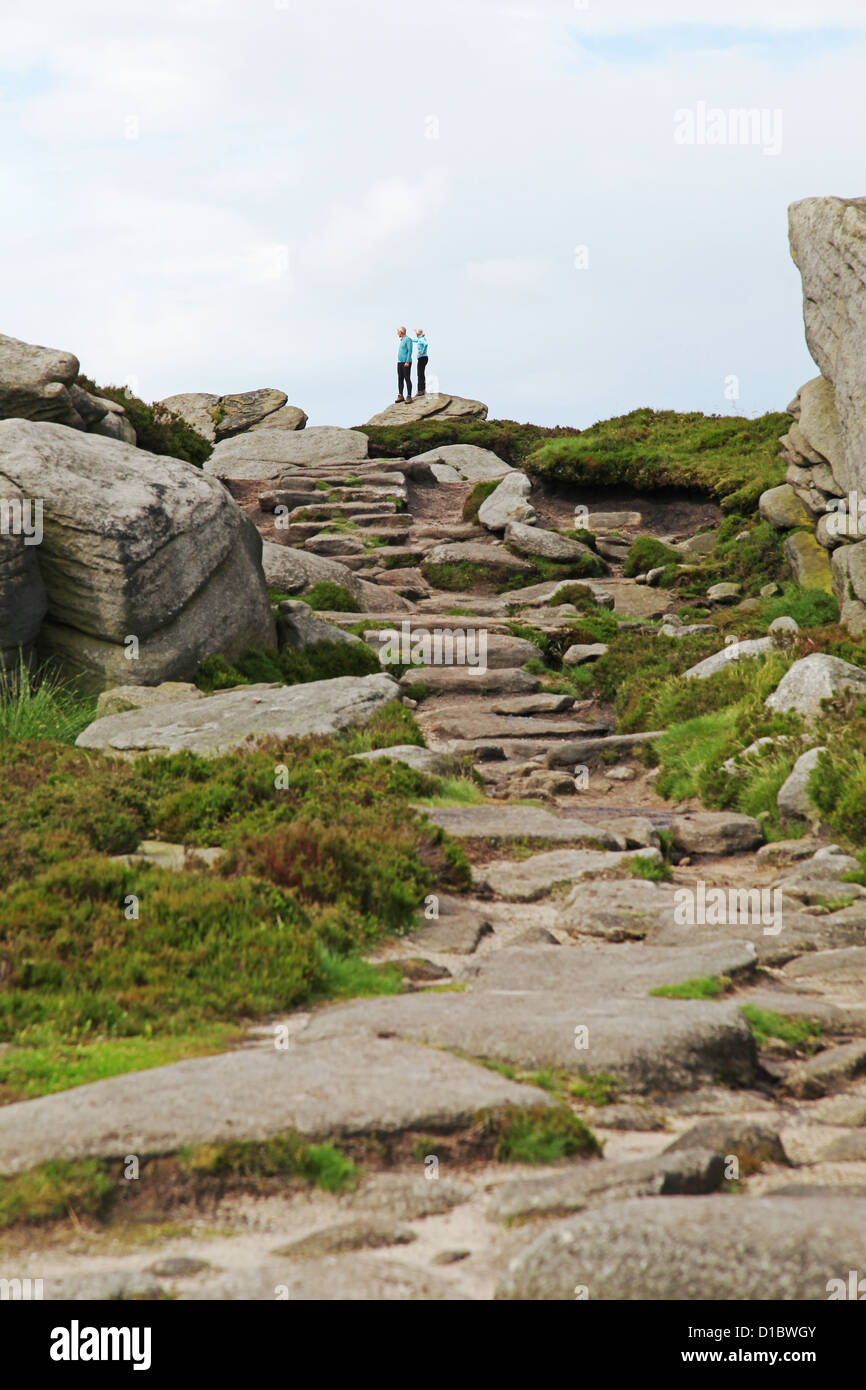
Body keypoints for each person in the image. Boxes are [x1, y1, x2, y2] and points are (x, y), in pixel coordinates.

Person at [396, 326, 413, 403]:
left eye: (398, 331)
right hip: (400, 362)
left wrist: (407, 361)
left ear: (401, 332)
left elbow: (410, 351)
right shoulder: (402, 340)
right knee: (400, 378)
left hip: (406, 362)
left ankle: (409, 396)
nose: (397, 333)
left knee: (407, 378)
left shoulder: (407, 339)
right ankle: (400, 395)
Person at [414, 328, 429, 396]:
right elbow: (414, 340)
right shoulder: (420, 338)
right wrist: (407, 338)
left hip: (422, 358)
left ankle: (420, 390)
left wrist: (422, 351)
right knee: (421, 374)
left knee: (420, 374)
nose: (415, 334)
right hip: (422, 358)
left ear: (418, 333)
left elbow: (426, 344)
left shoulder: (422, 339)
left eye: (416, 333)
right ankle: (422, 389)